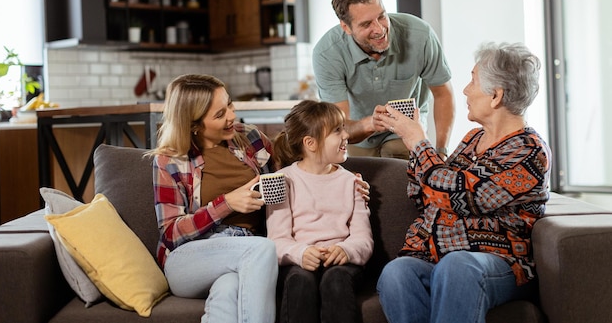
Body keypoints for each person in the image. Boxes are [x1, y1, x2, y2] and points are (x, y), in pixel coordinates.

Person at [374, 42, 552, 323]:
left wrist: (419, 143)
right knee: (398, 272)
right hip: (440, 259)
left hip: (499, 263)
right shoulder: (472, 139)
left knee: (457, 266)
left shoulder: (528, 150)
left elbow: (466, 196)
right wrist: (409, 139)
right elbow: (425, 195)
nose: (466, 90)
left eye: (472, 80)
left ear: (496, 96)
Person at [147, 74, 278, 323]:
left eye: (229, 104)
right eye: (219, 115)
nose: (231, 116)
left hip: (242, 252)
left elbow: (291, 175)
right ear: (193, 124)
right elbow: (171, 233)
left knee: (228, 289)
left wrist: (341, 181)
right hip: (189, 258)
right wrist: (226, 204)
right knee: (264, 248)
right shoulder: (170, 160)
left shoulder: (251, 139)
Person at [312, 0, 456, 160]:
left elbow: (443, 93)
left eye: (381, 16)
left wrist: (441, 151)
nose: (379, 29)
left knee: (401, 173)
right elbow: (339, 126)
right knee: (364, 183)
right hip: (359, 136)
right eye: (366, 24)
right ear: (346, 28)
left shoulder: (420, 35)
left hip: (406, 132)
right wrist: (371, 124)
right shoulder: (327, 53)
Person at [266, 100, 374, 323]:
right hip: (298, 262)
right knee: (300, 280)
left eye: (343, 128)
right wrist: (301, 253)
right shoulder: (282, 181)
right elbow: (276, 241)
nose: (345, 135)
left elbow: (363, 239)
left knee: (335, 279)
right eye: (337, 131)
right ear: (310, 143)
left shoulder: (352, 182)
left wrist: (346, 250)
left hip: (344, 264)